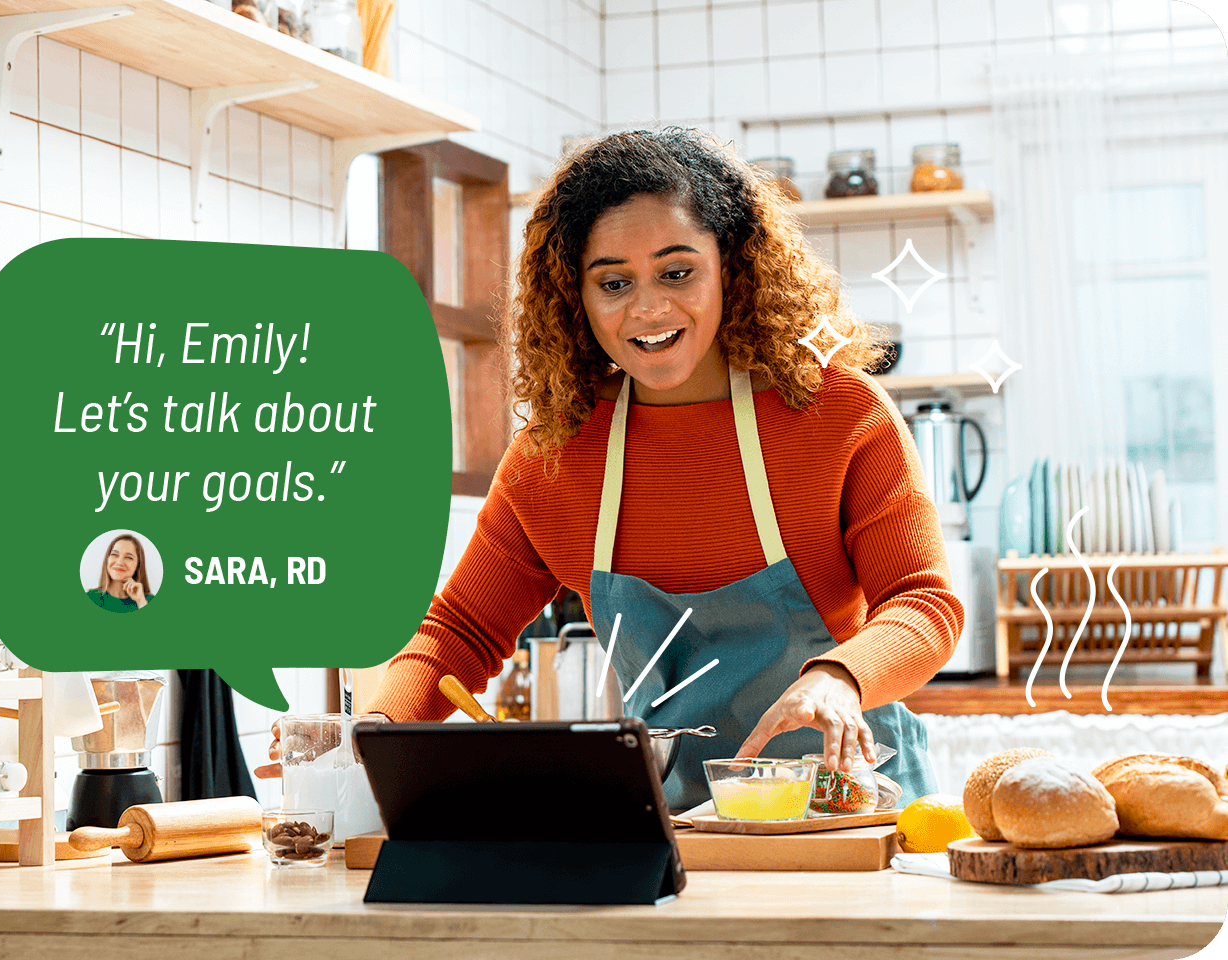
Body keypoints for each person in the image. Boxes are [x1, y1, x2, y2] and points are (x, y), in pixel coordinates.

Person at [267, 128, 964, 810]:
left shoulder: (836, 414)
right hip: (672, 827)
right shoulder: (558, 451)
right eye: (614, 282)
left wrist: (841, 677)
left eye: (678, 271)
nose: (649, 307)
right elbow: (459, 632)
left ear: (734, 266)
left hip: (851, 806)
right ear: (577, 296)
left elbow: (924, 604)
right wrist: (378, 729)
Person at [86, 534, 155, 612]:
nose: (119, 562)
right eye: (114, 554)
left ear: (138, 565)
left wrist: (141, 602)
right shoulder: (90, 597)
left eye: (129, 557)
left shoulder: (148, 601)